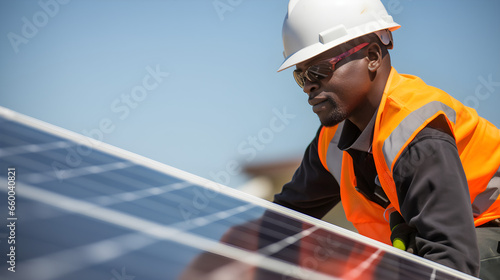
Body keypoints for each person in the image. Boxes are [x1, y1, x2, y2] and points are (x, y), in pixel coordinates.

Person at [273, 0, 500, 279]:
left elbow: (451, 261)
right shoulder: (331, 142)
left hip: (485, 236)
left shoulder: (415, 132)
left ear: (372, 56)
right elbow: (281, 220)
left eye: (319, 70)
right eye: (301, 76)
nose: (309, 85)